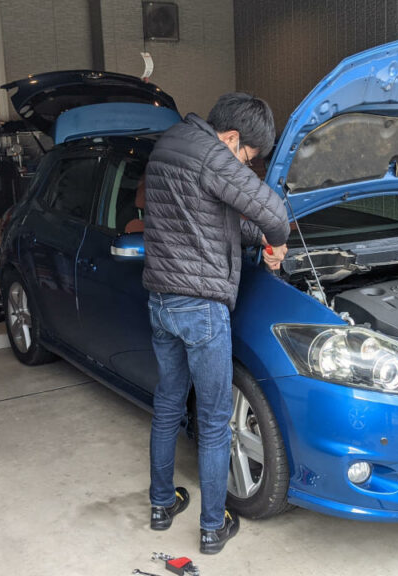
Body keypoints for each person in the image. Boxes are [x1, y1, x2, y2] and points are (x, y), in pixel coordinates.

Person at [142, 93, 290, 554]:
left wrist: (258, 237)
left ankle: (161, 505)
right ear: (231, 137)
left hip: (162, 302)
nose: (247, 167)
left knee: (168, 405)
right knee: (212, 420)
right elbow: (275, 212)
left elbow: (216, 218)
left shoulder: (171, 143)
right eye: (249, 157)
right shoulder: (212, 154)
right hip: (202, 307)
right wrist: (278, 243)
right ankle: (211, 526)